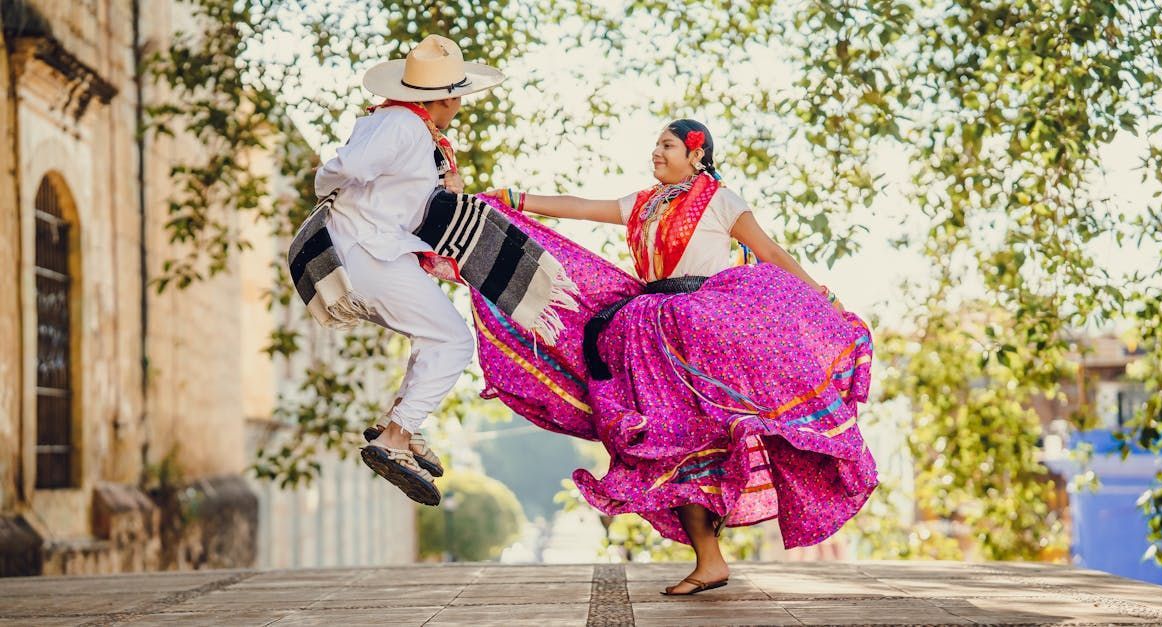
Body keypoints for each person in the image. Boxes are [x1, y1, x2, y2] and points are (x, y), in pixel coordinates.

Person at [476, 120, 877, 594]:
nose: (656, 153)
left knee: (710, 437)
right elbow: (582, 208)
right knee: (673, 443)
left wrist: (822, 296)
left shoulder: (721, 200)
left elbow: (768, 251)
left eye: (667, 145)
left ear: (696, 152)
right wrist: (514, 199)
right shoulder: (642, 204)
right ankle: (710, 561)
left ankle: (728, 535)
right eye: (656, 145)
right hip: (648, 334)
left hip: (704, 328)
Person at [301, 34, 505, 505]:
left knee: (431, 334)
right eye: (457, 97)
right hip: (371, 252)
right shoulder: (402, 127)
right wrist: (337, 196)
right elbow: (342, 169)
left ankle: (400, 424)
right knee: (453, 340)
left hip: (374, 251)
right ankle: (395, 438)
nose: (458, 106)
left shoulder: (402, 125)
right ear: (447, 97)